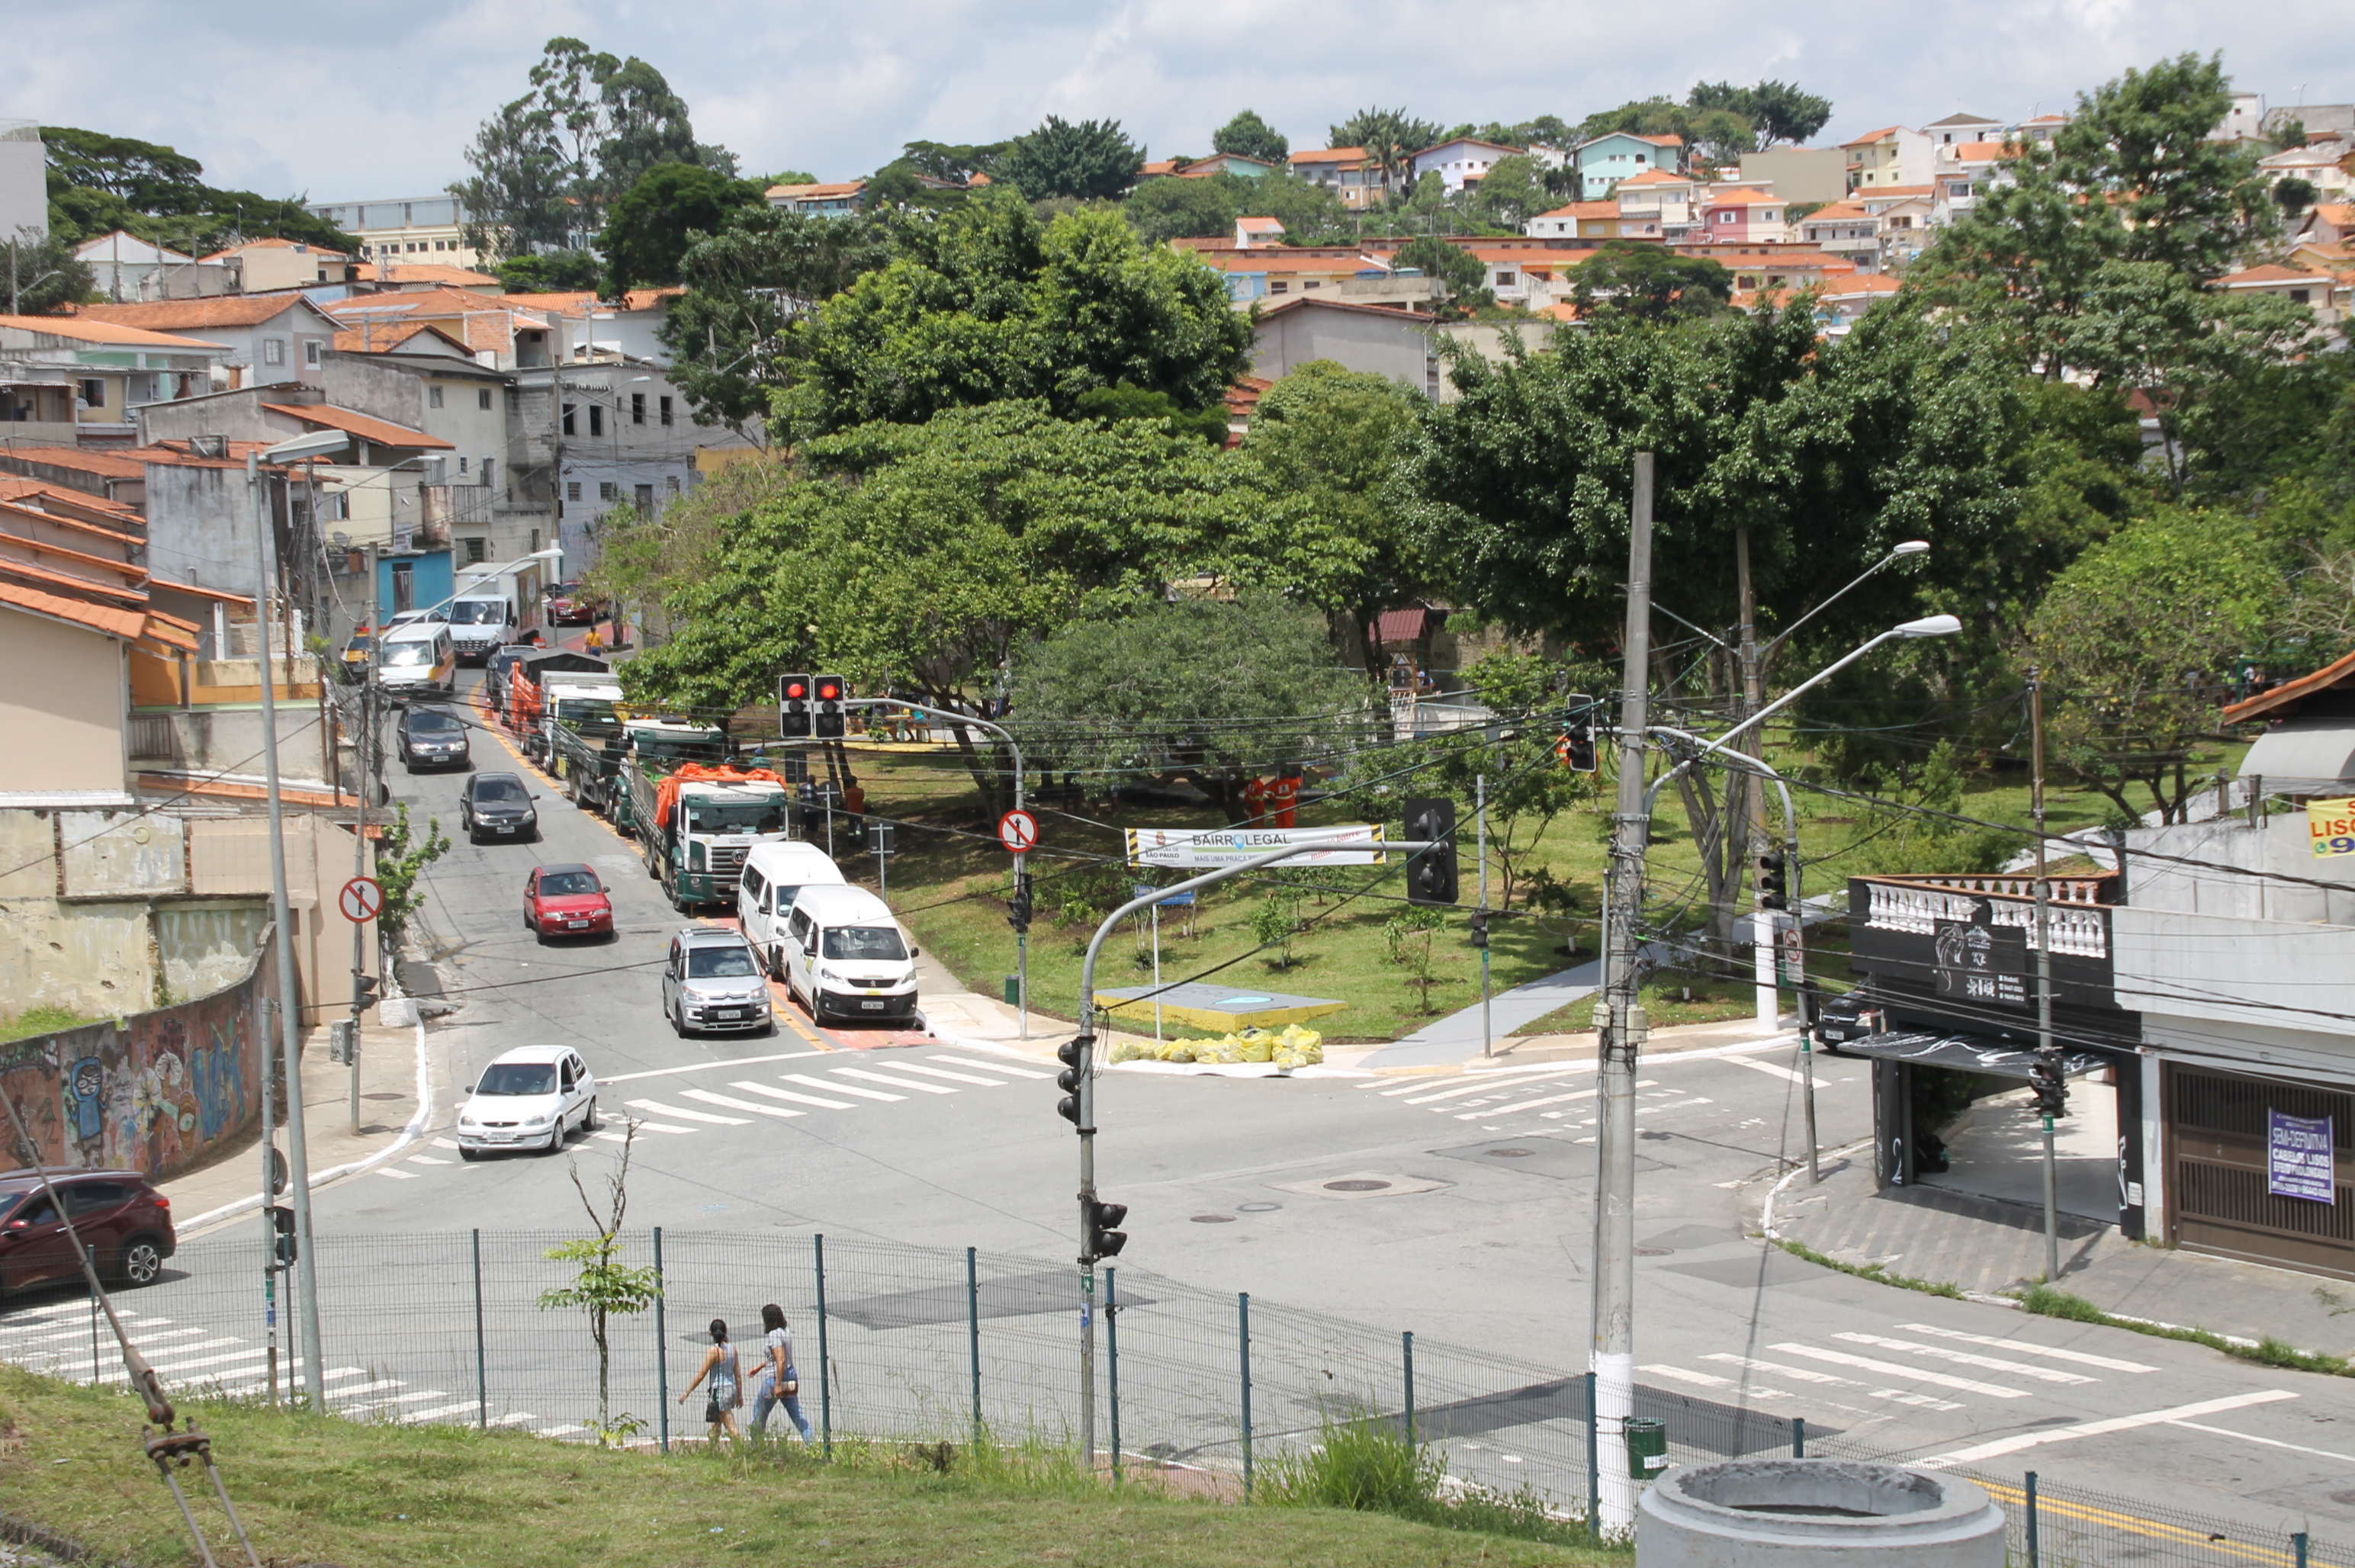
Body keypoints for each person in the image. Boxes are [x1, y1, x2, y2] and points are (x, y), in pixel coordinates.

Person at [747, 1303, 813, 1442]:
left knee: (760, 1413)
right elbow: (778, 1358)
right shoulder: (786, 1332)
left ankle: (756, 1445)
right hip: (790, 1375)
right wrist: (759, 1367)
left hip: (775, 1378)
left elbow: (780, 1359)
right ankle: (811, 1442)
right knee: (797, 1414)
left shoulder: (773, 1335)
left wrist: (777, 1384)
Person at [677, 1318, 743, 1444]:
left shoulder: (714, 1351)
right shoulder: (732, 1349)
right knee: (717, 1422)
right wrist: (740, 1395)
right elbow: (738, 1374)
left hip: (719, 1391)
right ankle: (712, 1448)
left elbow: (702, 1374)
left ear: (711, 1334)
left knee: (730, 1424)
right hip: (732, 1389)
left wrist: (688, 1391)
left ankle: (741, 1447)